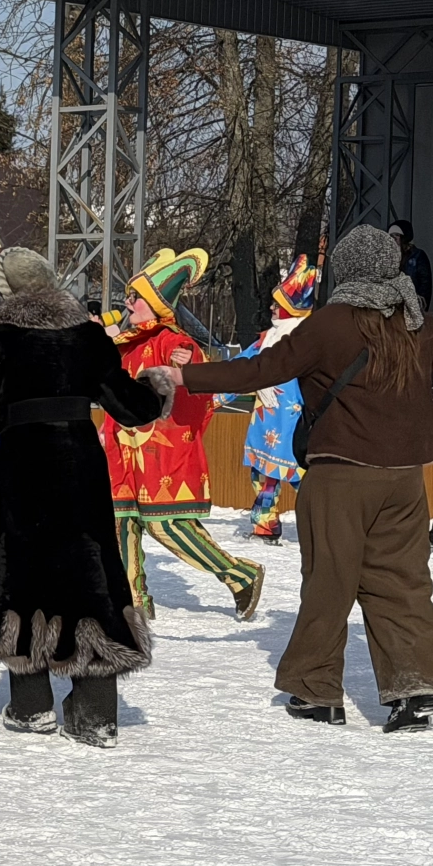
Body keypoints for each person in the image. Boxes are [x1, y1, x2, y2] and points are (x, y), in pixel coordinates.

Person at [164, 224, 433, 732]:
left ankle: (317, 693)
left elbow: (261, 370)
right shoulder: (420, 324)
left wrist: (187, 376)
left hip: (341, 475)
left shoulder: (331, 323)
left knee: (330, 582)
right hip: (406, 479)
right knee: (403, 582)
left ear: (348, 267)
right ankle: (416, 686)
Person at [0, 247, 169, 747]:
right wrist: (156, 386)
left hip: (22, 467)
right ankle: (97, 714)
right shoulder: (88, 335)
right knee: (89, 572)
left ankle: (31, 706)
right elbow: (131, 407)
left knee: (18, 574)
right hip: (79, 465)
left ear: (6, 292)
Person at [102, 247, 264, 621]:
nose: (128, 303)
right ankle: (133, 600)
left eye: (135, 297)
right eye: (128, 296)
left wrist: (187, 360)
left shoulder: (167, 337)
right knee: (119, 522)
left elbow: (186, 354)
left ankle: (241, 575)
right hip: (121, 450)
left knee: (165, 525)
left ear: (155, 304)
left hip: (159, 455)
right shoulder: (126, 342)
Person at [239, 256, 319, 542]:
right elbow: (240, 365)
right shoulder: (266, 339)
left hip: (294, 424)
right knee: (263, 475)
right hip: (266, 422)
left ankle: (323, 523)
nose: (272, 309)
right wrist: (213, 393)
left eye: (277, 305)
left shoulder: (307, 341)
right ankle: (265, 525)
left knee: (302, 477)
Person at [388, 218, 431, 312]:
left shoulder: (418, 256)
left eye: (397, 235)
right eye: (391, 236)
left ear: (405, 237)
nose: (393, 238)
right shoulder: (388, 257)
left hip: (412, 307)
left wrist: (421, 305)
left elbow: (425, 284)